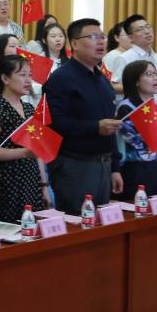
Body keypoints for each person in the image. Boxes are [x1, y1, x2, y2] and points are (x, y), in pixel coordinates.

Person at [43, 18, 122, 215]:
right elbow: (56, 123)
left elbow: (109, 127)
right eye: (93, 37)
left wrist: (115, 168)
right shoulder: (60, 79)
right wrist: (96, 127)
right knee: (78, 224)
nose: (101, 41)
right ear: (75, 44)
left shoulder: (102, 80)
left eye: (102, 37)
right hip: (74, 166)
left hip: (104, 165)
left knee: (101, 226)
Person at [0, 54, 49, 222]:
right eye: (22, 75)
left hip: (31, 179)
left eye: (30, 75)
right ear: (5, 78)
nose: (28, 80)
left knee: (33, 228)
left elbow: (37, 150)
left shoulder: (29, 108)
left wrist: (44, 185)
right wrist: (24, 153)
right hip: (6, 182)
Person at [115, 61, 157, 198]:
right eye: (149, 74)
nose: (156, 78)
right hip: (134, 172)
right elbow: (139, 143)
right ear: (136, 81)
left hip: (154, 168)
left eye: (156, 73)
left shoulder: (151, 106)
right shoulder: (126, 108)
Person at [108, 15, 157, 112]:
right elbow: (114, 86)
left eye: (148, 26)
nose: (147, 31)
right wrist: (138, 87)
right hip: (135, 109)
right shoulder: (124, 58)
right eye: (140, 29)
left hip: (156, 109)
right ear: (130, 37)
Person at [103, 23, 132, 88]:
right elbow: (107, 84)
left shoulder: (136, 54)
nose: (131, 38)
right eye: (127, 34)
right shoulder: (112, 56)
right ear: (117, 38)